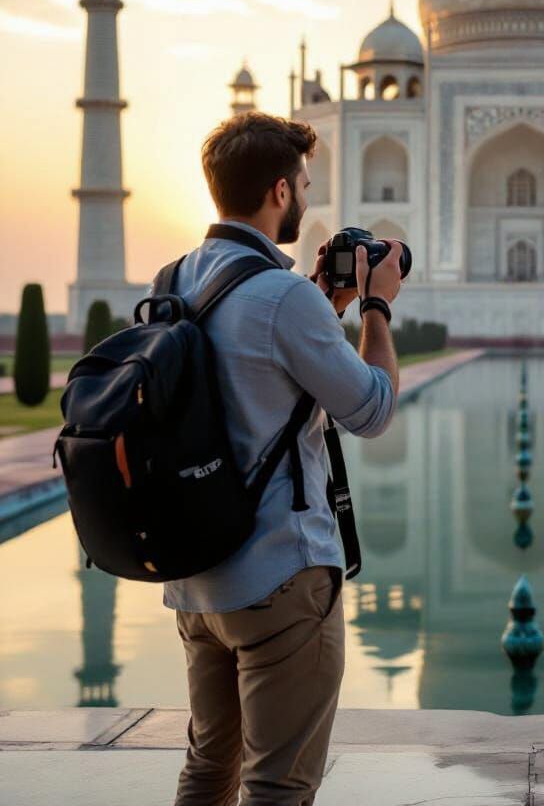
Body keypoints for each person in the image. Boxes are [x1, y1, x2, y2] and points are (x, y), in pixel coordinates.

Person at [165, 111, 403, 805]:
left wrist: (322, 305)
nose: (305, 194)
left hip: (197, 578)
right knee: (278, 786)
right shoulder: (282, 295)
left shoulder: (175, 278)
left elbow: (257, 381)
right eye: (302, 182)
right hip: (279, 574)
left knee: (209, 768)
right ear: (278, 192)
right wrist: (376, 310)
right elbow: (372, 409)